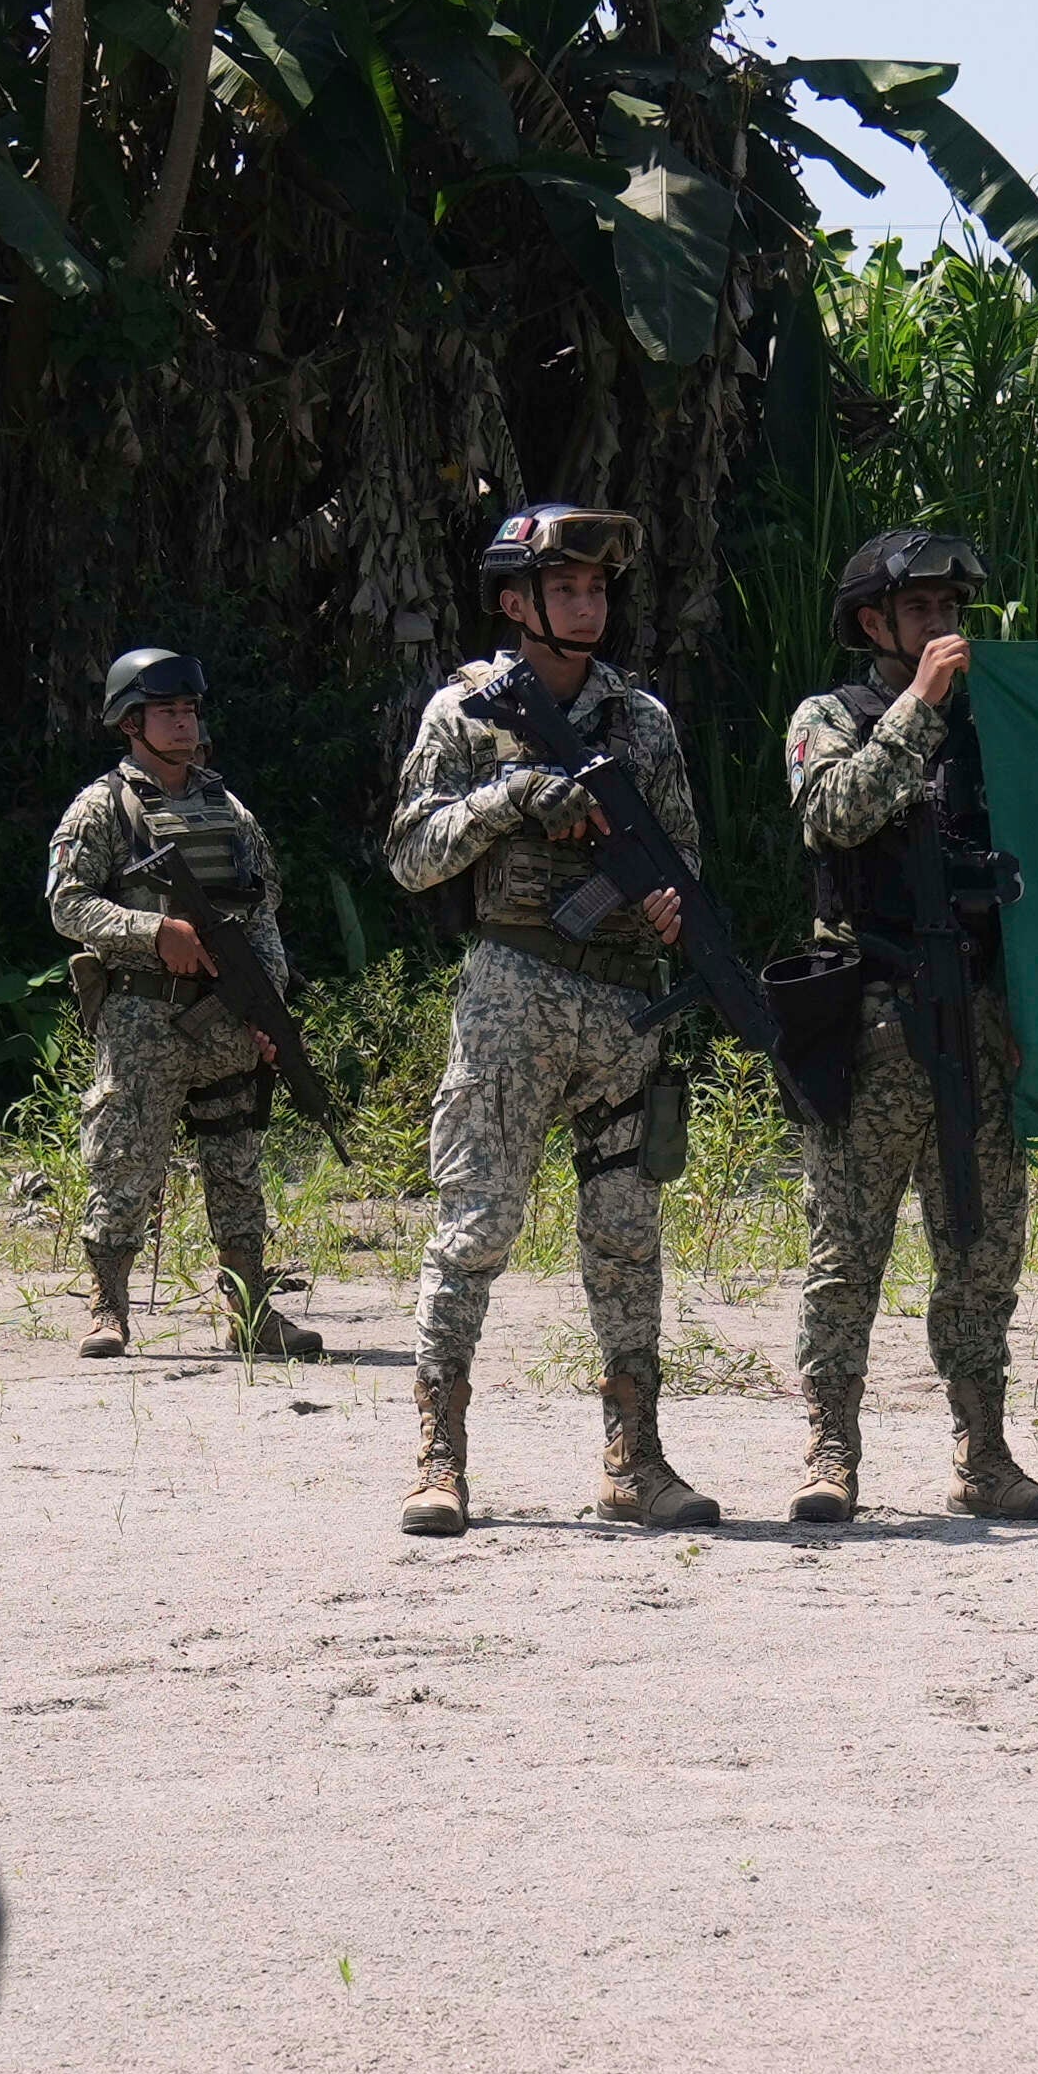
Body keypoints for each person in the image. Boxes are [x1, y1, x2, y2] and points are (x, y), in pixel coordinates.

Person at [378, 501, 727, 1533]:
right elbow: (410, 854)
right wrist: (512, 798)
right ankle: (438, 1457)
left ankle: (636, 1460)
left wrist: (671, 905)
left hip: (623, 1002)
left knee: (627, 1234)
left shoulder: (642, 720)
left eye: (597, 589)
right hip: (514, 994)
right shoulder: (467, 712)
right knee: (476, 1224)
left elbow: (684, 851)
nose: (586, 606)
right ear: (514, 602)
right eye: (565, 588)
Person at [778, 521, 1038, 1523]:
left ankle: (983, 1452)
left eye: (950, 607)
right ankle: (830, 1451)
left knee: (982, 1249)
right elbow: (833, 814)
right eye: (919, 609)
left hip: (976, 1017)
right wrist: (919, 708)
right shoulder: (834, 716)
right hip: (871, 1021)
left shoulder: (994, 724)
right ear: (875, 624)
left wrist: (1026, 1005)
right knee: (845, 1255)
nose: (942, 623)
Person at [43, 643, 315, 1361]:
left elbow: (263, 909)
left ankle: (249, 1310)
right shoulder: (103, 807)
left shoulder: (230, 809)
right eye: (166, 711)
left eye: (189, 710)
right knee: (123, 1160)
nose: (184, 723)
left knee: (237, 1167)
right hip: (143, 1018)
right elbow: (67, 904)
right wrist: (152, 931)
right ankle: (108, 1308)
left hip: (226, 1018)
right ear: (130, 722)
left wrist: (266, 1005)